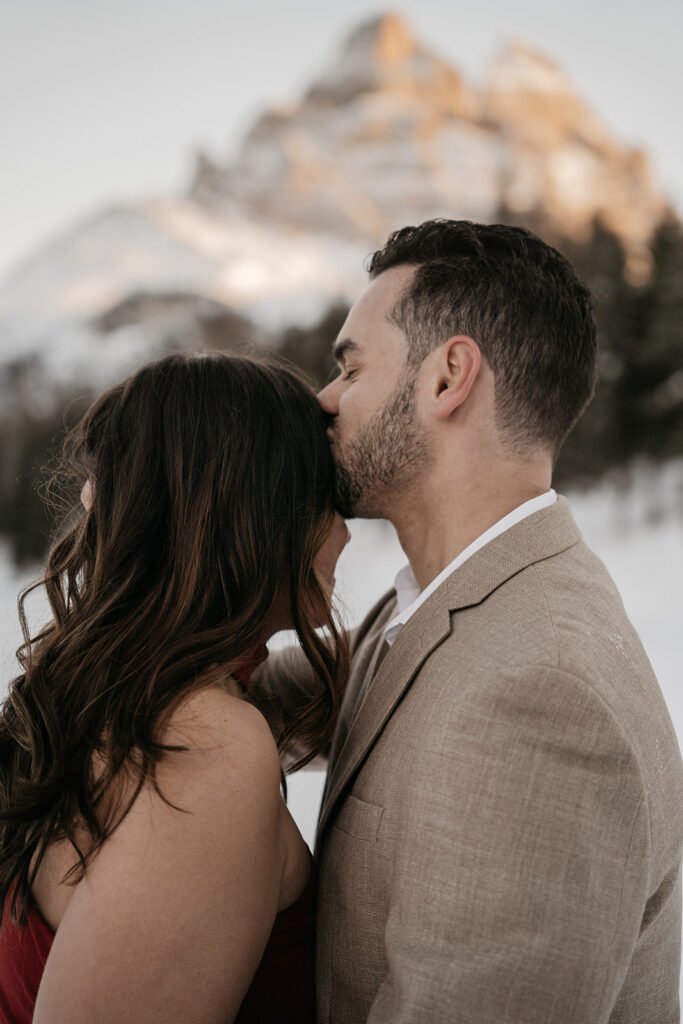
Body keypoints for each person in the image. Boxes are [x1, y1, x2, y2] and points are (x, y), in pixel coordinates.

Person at [251, 220, 683, 1023]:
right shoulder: (443, 597)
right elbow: (248, 704)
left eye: (349, 369)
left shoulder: (539, 695)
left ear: (448, 376)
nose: (324, 399)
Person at [0, 352, 350, 1023]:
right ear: (256, 514)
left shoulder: (113, 696)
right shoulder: (202, 745)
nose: (343, 531)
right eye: (326, 500)